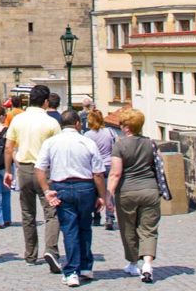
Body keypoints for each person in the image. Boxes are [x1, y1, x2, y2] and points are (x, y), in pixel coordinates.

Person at [35, 109, 109, 287]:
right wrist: (102, 196)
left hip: (61, 187)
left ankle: (72, 271)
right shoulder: (87, 142)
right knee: (85, 227)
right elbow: (98, 174)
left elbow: (40, 168)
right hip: (85, 187)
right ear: (77, 124)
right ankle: (85, 267)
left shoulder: (51, 142)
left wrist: (46, 190)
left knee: (69, 229)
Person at [5, 84, 61, 270]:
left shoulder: (18, 120)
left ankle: (30, 255)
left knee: (28, 214)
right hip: (46, 172)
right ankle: (51, 250)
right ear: (46, 102)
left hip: (25, 170)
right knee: (51, 213)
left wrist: (8, 170)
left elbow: (9, 148)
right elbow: (58, 151)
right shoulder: (52, 123)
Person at [107, 107, 164, 283]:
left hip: (127, 191)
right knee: (149, 229)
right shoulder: (151, 143)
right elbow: (159, 166)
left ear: (126, 127)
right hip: (150, 190)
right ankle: (147, 264)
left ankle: (133, 263)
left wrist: (108, 195)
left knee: (128, 228)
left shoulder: (120, 145)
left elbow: (115, 173)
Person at [84, 109, 117, 231]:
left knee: (94, 192)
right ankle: (109, 217)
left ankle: (96, 216)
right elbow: (115, 146)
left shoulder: (87, 135)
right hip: (109, 164)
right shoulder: (110, 132)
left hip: (94, 166)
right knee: (109, 192)